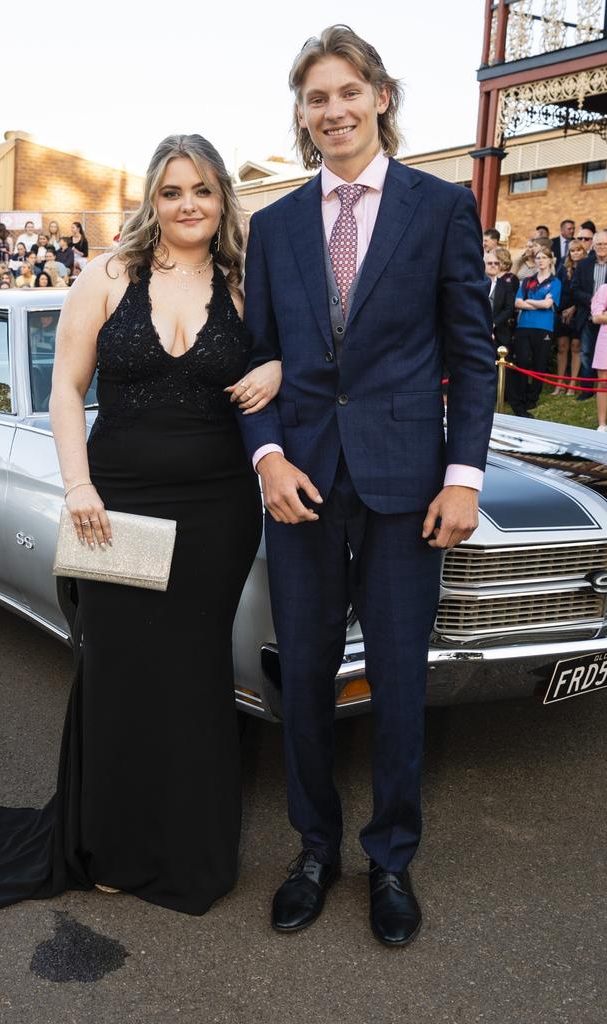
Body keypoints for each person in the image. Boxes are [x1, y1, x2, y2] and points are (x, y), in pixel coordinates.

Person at [0, 133, 281, 915]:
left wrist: (276, 365)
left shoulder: (249, 284)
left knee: (193, 677)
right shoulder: (108, 274)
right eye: (174, 191)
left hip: (217, 513)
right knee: (117, 670)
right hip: (114, 503)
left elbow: (298, 361)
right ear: (153, 198)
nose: (189, 205)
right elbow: (64, 390)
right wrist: (77, 485)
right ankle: (109, 843)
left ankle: (186, 853)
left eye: (204, 191)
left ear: (223, 200)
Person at [235, 25, 495, 947]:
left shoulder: (440, 207)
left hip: (406, 487)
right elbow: (256, 358)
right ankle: (314, 850)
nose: (333, 110)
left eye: (348, 91)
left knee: (395, 678)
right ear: (301, 118)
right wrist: (266, 456)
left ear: (380, 95)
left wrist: (463, 477)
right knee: (303, 678)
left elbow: (471, 353)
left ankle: (392, 859)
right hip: (300, 485)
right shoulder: (272, 228)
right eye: (316, 99)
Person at [507, 248, 561, 416]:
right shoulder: (527, 281)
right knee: (522, 361)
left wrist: (529, 301)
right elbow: (517, 303)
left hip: (544, 327)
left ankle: (533, 398)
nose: (540, 260)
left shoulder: (555, 282)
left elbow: (548, 305)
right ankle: (521, 395)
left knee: (539, 362)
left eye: (544, 257)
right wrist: (538, 302)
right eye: (538, 258)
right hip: (524, 325)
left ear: (550, 260)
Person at [571, 229, 607, 399]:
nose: (602, 247)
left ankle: (603, 388)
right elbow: (575, 289)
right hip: (587, 315)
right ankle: (587, 389)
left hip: (606, 318)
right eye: (599, 244)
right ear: (593, 245)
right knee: (586, 352)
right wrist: (593, 299)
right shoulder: (584, 264)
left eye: (605, 244)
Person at [554, 240, 587, 395]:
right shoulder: (563, 268)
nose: (575, 253)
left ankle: (572, 384)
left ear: (583, 251)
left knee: (576, 346)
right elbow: (559, 289)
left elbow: (585, 292)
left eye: (578, 250)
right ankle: (559, 383)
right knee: (562, 347)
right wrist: (562, 309)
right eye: (572, 251)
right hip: (562, 310)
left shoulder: (587, 267)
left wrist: (574, 308)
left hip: (580, 311)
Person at [485, 250, 515, 348]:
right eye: (490, 263)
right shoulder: (477, 284)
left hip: (500, 333)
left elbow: (509, 308)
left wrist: (494, 323)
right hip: (478, 330)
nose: (493, 265)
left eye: (496, 263)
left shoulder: (507, 285)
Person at [589, 283, 607, 431]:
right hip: (605, 340)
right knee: (603, 383)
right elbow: (596, 317)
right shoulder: (604, 289)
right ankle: (602, 424)